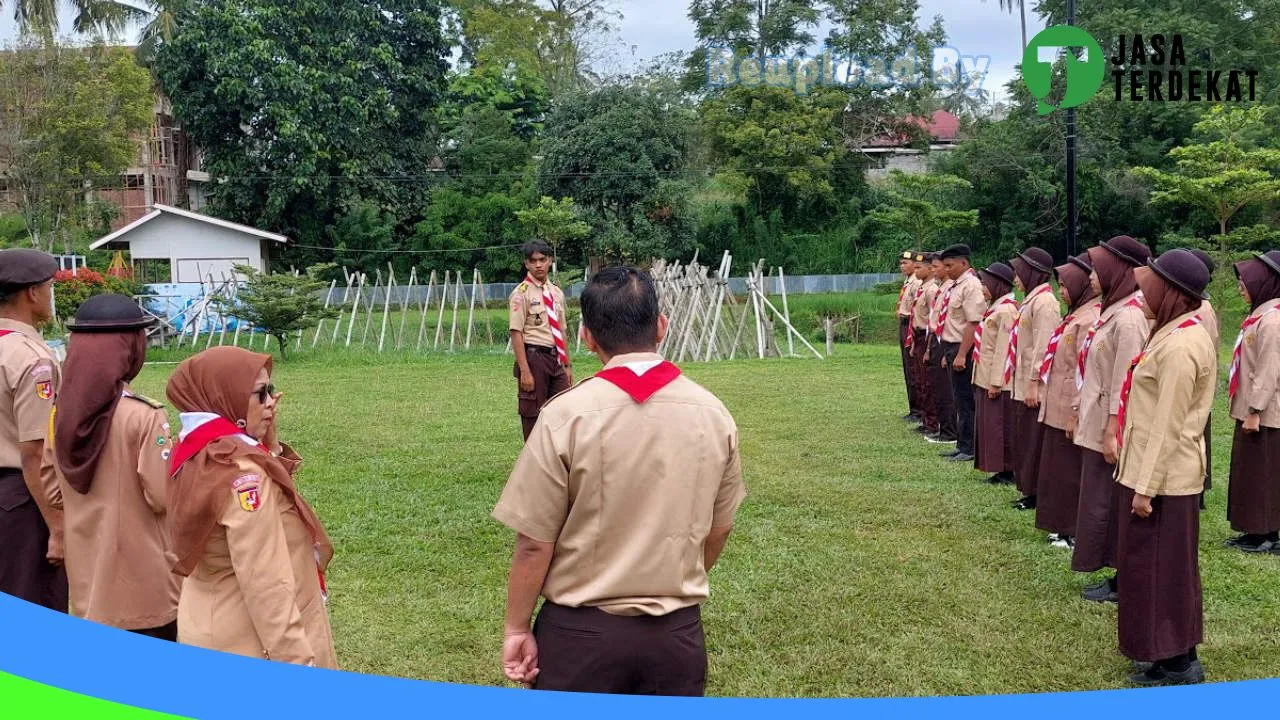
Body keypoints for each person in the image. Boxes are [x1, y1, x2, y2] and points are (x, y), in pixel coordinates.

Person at [493, 266, 745, 695]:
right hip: (676, 639)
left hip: (579, 639)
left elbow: (535, 542)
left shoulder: (565, 415)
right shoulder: (712, 413)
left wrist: (517, 627)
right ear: (662, 326)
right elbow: (719, 529)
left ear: (587, 337)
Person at [165, 347, 336, 667]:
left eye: (271, 390)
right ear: (226, 397)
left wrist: (267, 446)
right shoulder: (244, 475)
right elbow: (265, 583)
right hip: (251, 640)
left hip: (207, 622)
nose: (271, 401)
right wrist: (298, 660)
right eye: (259, 394)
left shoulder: (199, 450)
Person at [51, 295, 179, 639]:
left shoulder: (59, 415)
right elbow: (164, 496)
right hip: (146, 588)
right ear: (131, 349)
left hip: (87, 585)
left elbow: (52, 489)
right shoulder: (143, 416)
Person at [1115, 249, 1215, 686]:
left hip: (1166, 479)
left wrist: (1144, 487)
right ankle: (1169, 651)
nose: (1143, 293)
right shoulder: (1171, 333)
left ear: (1172, 293)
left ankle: (1176, 661)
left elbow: (1167, 425)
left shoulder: (1180, 347)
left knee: (1163, 569)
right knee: (1158, 566)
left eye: (1152, 287)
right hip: (1159, 473)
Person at [1072, 236, 1152, 604]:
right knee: (1101, 500)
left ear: (1117, 270)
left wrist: (1111, 429)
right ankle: (1115, 570)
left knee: (1114, 502)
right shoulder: (1114, 310)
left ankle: (1125, 578)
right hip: (1096, 419)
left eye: (1096, 269)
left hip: (1113, 427)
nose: (1090, 277)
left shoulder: (1131, 318)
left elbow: (1125, 382)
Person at [0, 248, 67, 611]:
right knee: (34, 602)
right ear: (32, 293)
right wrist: (57, 527)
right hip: (24, 499)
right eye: (49, 286)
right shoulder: (31, 358)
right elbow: (34, 452)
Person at [1034, 253, 1101, 549]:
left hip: (1069, 405)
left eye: (1065, 285)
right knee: (1058, 468)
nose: (1061, 291)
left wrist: (1075, 411)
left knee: (1071, 470)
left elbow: (1083, 370)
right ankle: (1061, 524)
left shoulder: (1089, 319)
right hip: (1056, 403)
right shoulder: (1074, 315)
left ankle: (1073, 529)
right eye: (1058, 285)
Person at [1224, 250, 1280, 554]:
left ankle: (1267, 535)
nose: (1240, 286)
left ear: (1264, 282)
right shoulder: (1260, 315)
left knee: (1265, 473)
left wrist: (1255, 410)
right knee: (1250, 472)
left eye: (1246, 281)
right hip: (1249, 409)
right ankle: (1253, 530)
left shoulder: (1272, 320)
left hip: (1265, 414)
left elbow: (1268, 369)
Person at [1008, 248, 1061, 510]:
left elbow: (1044, 347)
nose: (1015, 279)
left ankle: (1036, 494)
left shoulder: (1045, 303)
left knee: (1034, 440)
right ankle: (1029, 489)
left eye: (1019, 273)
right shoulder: (1032, 300)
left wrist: (1034, 383)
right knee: (1025, 438)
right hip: (1021, 381)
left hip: (1033, 385)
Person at [510, 241, 572, 441]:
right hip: (534, 358)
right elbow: (516, 332)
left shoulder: (556, 292)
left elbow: (562, 331)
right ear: (526, 264)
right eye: (533, 261)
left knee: (564, 409)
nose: (538, 265)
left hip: (556, 359)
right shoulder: (521, 294)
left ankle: (559, 459)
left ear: (550, 261)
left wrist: (567, 364)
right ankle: (533, 461)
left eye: (542, 260)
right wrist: (525, 371)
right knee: (532, 413)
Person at [938, 245, 985, 463]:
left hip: (962, 347)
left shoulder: (971, 285)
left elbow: (973, 322)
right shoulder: (956, 285)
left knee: (966, 399)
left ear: (964, 263)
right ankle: (962, 443)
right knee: (958, 398)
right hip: (951, 346)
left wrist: (960, 354)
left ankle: (970, 447)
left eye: (950, 265)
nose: (946, 270)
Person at [971, 263, 1016, 484]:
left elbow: (1004, 348)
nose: (982, 288)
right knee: (991, 424)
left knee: (1000, 426)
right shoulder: (996, 308)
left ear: (998, 285)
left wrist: (996, 382)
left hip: (997, 380)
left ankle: (1007, 469)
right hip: (985, 376)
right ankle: (998, 467)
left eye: (986, 284)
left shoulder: (1007, 311)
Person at [1189, 249, 1220, 510]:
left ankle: (1196, 492)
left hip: (1196, 384)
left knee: (1197, 437)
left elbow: (1206, 348)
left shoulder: (1204, 308)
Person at [925, 256, 957, 445]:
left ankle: (949, 431)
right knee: (937, 387)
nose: (934, 270)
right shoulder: (942, 289)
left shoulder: (950, 289)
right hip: (936, 339)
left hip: (945, 341)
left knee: (946, 390)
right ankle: (944, 428)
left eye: (937, 267)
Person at [908, 254, 940, 437]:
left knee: (927, 382)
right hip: (918, 336)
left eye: (920, 267)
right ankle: (926, 420)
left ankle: (933, 422)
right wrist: (913, 342)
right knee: (920, 381)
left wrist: (928, 348)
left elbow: (933, 320)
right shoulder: (921, 288)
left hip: (927, 337)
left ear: (929, 269)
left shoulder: (931, 290)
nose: (916, 270)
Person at [896, 250, 922, 423]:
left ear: (914, 264)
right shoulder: (907, 282)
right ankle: (913, 408)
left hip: (911, 325)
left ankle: (919, 409)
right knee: (908, 367)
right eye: (901, 263)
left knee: (914, 368)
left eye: (906, 263)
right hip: (903, 324)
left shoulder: (916, 283)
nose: (902, 266)